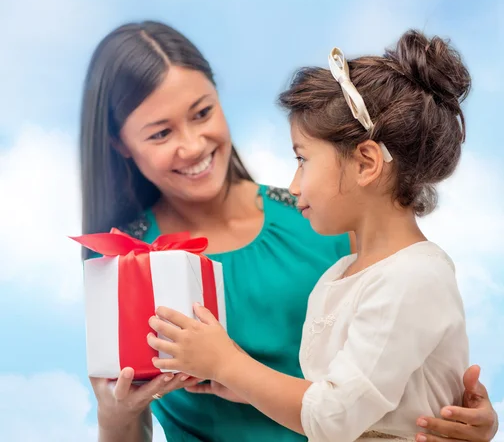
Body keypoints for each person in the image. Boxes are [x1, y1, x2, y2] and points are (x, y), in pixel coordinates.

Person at [80, 22, 499, 442]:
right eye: (161, 132)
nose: (191, 145)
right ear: (120, 143)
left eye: (202, 112)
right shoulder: (129, 263)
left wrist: (463, 417)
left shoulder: (326, 219)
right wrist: (113, 417)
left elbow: (404, 359)